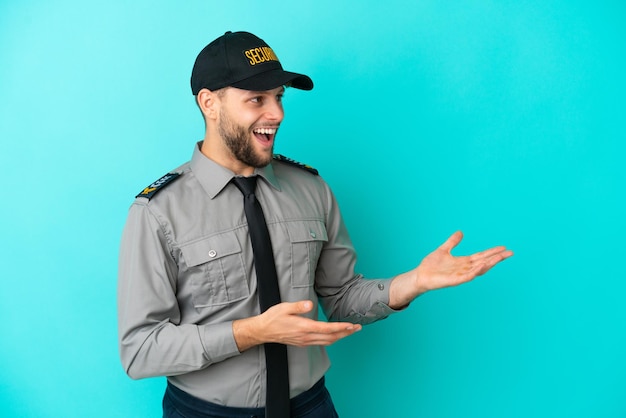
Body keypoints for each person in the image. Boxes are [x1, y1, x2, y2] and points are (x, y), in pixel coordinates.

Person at [117, 31, 513, 418]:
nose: (277, 114)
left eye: (278, 98)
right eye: (257, 99)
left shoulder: (311, 189)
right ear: (209, 103)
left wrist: (414, 282)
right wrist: (250, 332)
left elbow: (341, 297)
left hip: (310, 406)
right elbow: (140, 349)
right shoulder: (157, 211)